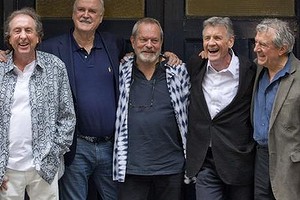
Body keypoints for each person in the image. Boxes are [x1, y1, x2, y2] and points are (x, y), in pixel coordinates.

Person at [0, 7, 75, 200]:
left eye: (29, 30)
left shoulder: (55, 67)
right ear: (9, 37)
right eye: (17, 31)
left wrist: (53, 155)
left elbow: (67, 117)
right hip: (6, 169)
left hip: (43, 167)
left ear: (38, 36)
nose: (23, 36)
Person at [113, 17, 190, 200]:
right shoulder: (120, 71)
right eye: (143, 40)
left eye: (154, 40)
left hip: (171, 168)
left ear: (161, 43)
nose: (149, 45)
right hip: (131, 168)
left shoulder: (178, 72)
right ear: (133, 42)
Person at [186, 16, 256, 200]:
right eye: (207, 38)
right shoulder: (196, 65)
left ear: (230, 41)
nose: (211, 43)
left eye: (217, 38)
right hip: (205, 160)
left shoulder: (249, 71)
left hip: (238, 160)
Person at [252, 18, 300, 200]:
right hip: (261, 158)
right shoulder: (257, 70)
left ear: (282, 48)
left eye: (263, 44)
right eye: (256, 42)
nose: (256, 49)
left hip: (291, 164)